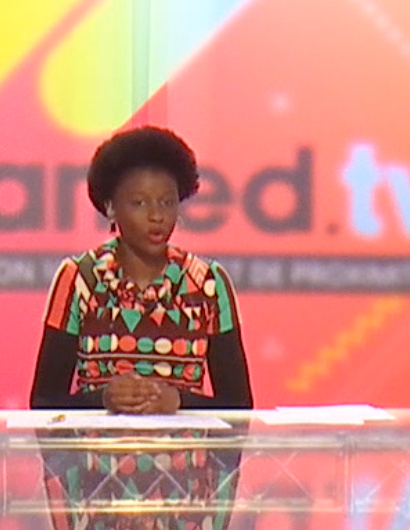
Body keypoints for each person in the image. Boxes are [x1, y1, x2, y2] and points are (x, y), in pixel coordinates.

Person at [29, 126, 254, 413]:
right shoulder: (79, 278)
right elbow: (43, 402)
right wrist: (104, 399)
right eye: (139, 203)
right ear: (111, 208)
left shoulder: (208, 282)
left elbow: (240, 406)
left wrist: (179, 401)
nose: (156, 215)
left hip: (183, 443)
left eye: (167, 202)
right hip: (96, 444)